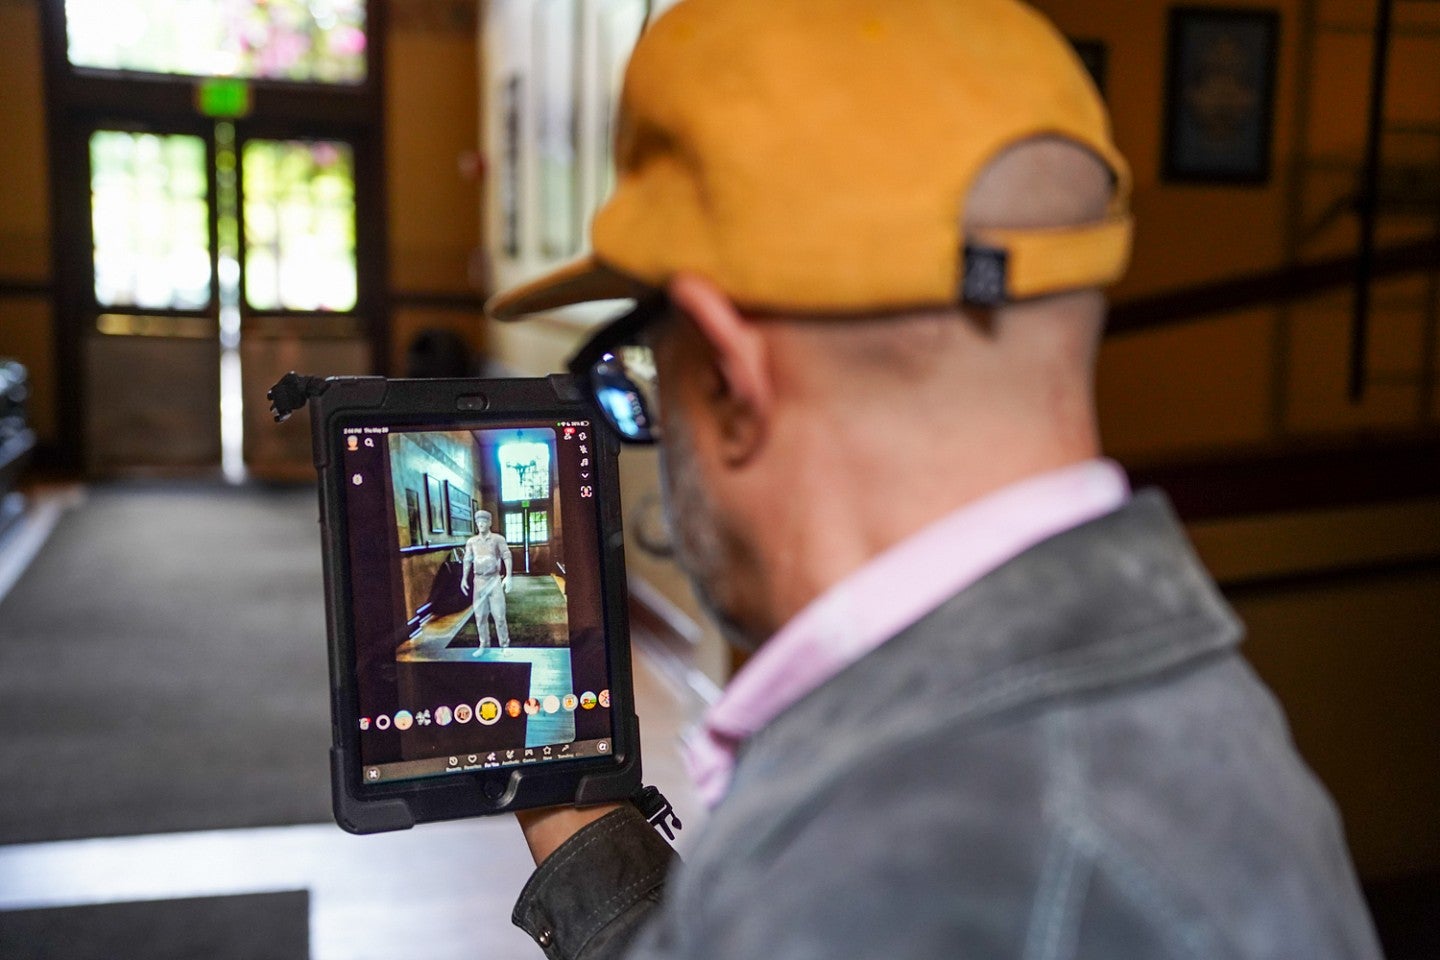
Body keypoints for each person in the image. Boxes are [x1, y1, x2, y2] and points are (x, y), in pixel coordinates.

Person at [484, 1, 1382, 957]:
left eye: (647, 372)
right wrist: (575, 829)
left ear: (730, 378)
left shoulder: (890, 861)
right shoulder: (1176, 712)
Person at [461, 508, 512, 651]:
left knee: (499, 616)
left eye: (484, 521)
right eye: (478, 521)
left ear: (490, 523)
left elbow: (506, 555)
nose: (481, 524)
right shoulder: (472, 542)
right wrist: (464, 578)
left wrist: (508, 576)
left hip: (494, 580)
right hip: (479, 581)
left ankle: (504, 645)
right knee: (480, 616)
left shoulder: (497, 539)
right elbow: (467, 559)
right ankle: (483, 644)